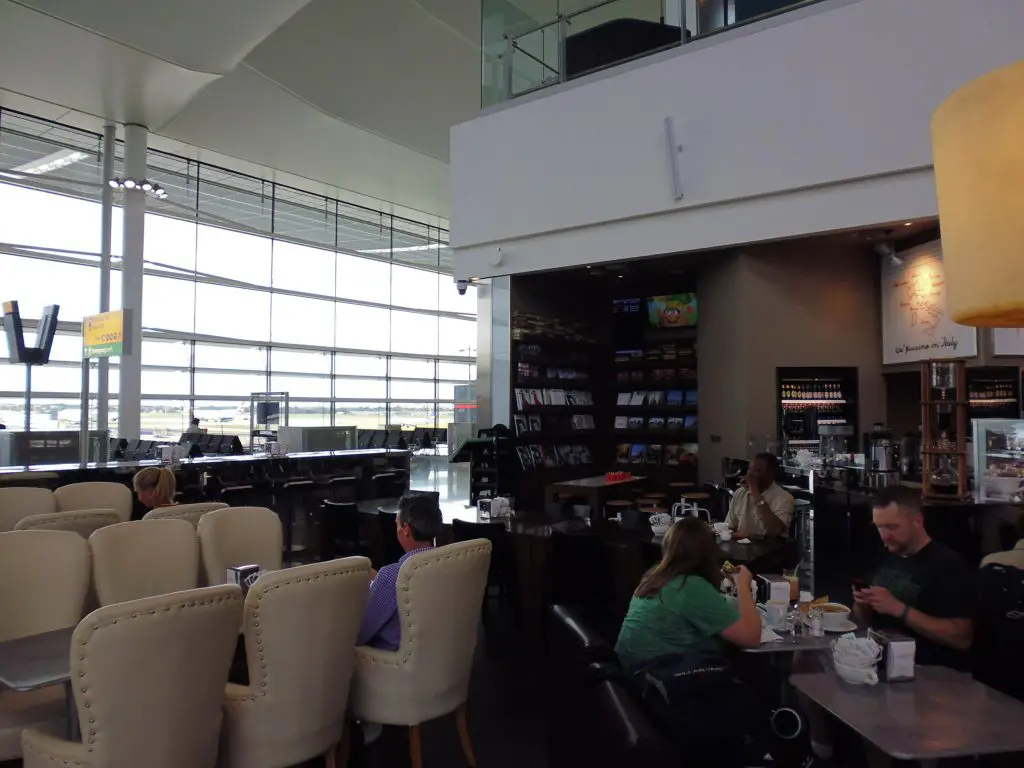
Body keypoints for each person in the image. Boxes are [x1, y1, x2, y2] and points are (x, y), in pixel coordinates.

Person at [615, 516, 762, 668]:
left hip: (628, 675)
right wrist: (743, 584)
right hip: (656, 679)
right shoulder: (690, 586)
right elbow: (751, 637)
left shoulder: (654, 576)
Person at [854, 485, 975, 669]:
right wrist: (863, 605)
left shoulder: (947, 565)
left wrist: (900, 610)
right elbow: (866, 620)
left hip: (930, 673)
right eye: (880, 527)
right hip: (881, 660)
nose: (885, 536)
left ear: (917, 521)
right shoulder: (885, 554)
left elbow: (962, 638)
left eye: (892, 527)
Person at [356, 492, 443, 651]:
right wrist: (379, 579)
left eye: (396, 524)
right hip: (437, 651)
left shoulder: (391, 576)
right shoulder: (448, 563)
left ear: (406, 529)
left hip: (391, 659)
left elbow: (360, 633)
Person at [726, 453, 794, 538]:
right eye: (750, 469)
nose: (750, 474)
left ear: (770, 474)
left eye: (757, 470)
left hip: (771, 549)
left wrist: (755, 493)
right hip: (742, 547)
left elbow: (776, 531)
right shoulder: (740, 493)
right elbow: (730, 526)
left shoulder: (784, 498)